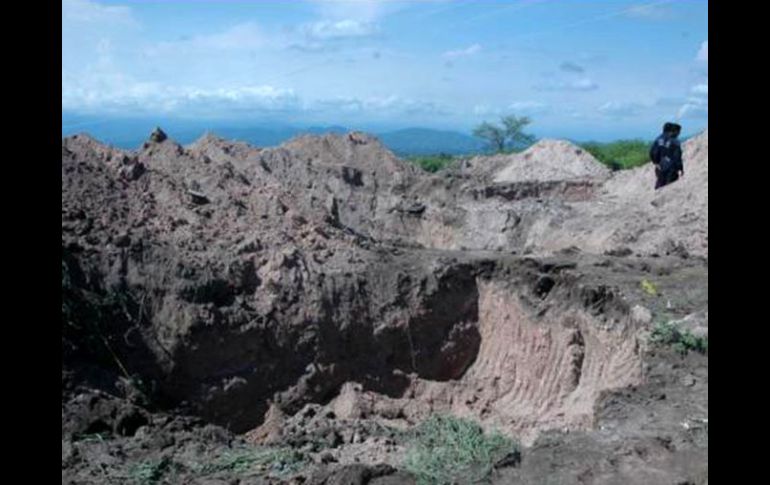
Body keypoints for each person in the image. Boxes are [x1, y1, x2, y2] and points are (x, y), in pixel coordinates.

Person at [650, 122, 683, 190]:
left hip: (660, 166)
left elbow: (652, 152)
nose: (678, 133)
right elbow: (677, 156)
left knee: (660, 185)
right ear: (672, 130)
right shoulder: (674, 141)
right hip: (671, 167)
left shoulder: (657, 139)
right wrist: (680, 168)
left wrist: (656, 163)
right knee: (670, 187)